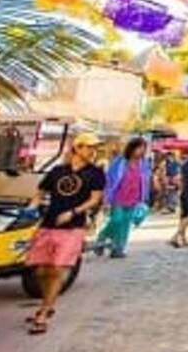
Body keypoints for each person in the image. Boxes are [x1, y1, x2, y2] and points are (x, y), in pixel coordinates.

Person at [23, 132, 105, 334]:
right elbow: (40, 192)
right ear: (77, 148)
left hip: (73, 226)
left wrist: (73, 212)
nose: (92, 151)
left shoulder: (95, 173)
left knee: (57, 269)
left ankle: (43, 312)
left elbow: (94, 199)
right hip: (49, 223)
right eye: (89, 147)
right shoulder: (58, 171)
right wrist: (31, 207)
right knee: (41, 271)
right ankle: (48, 303)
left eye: (94, 148)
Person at [99, 137, 151, 259]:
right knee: (116, 220)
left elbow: (145, 181)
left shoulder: (143, 164)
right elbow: (109, 179)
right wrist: (106, 197)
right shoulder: (119, 161)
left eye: (143, 148)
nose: (141, 151)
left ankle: (118, 248)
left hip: (134, 198)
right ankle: (102, 237)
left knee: (125, 224)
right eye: (139, 148)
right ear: (131, 148)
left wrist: (144, 198)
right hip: (118, 197)